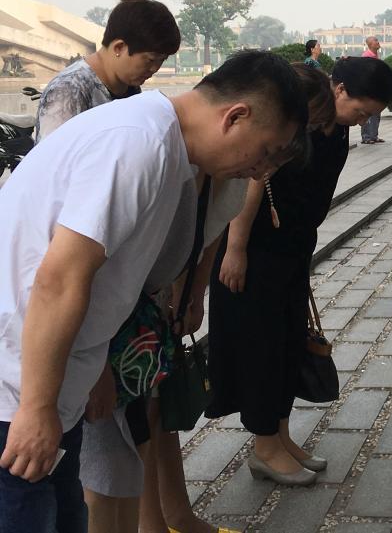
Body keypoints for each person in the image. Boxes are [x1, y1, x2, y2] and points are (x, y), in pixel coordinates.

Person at [0, 50, 307, 533]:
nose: (259, 172)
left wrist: (92, 362)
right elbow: (59, 279)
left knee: (62, 517)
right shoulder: (138, 144)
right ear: (236, 117)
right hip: (16, 386)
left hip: (52, 380)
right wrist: (35, 408)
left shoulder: (168, 150)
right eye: (267, 152)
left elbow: (104, 280)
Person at [31, 0, 186, 533]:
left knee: (121, 430)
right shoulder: (70, 94)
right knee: (86, 443)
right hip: (75, 289)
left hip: (113, 294)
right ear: (117, 46)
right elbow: (64, 226)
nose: (154, 71)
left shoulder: (128, 94)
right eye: (149, 59)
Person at [206, 57, 392, 485]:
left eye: (370, 116)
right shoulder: (302, 119)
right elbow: (254, 180)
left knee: (288, 342)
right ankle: (264, 447)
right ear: (340, 88)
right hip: (256, 251)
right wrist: (235, 248)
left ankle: (282, 437)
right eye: (361, 110)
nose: (362, 120)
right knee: (261, 347)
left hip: (291, 249)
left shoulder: (334, 126)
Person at [34, 0, 180, 143]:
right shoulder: (68, 90)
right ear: (119, 47)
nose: (155, 68)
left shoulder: (130, 87)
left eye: (162, 60)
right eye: (150, 60)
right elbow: (51, 160)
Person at [360, 36, 385, 143]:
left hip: (376, 90)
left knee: (376, 113)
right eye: (375, 40)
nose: (378, 42)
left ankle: (374, 135)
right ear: (370, 44)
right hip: (368, 90)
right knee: (367, 113)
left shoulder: (375, 56)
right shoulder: (366, 56)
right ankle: (366, 137)